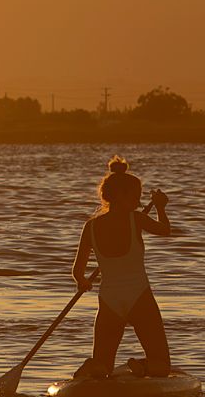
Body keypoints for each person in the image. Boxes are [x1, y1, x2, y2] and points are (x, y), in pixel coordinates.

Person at [70, 156, 172, 378]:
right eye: (135, 197)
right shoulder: (137, 219)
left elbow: (78, 271)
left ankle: (93, 367)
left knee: (104, 366)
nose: (138, 203)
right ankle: (144, 367)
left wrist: (83, 282)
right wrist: (161, 207)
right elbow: (165, 230)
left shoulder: (91, 226)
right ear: (119, 196)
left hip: (109, 300)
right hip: (139, 296)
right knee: (162, 363)